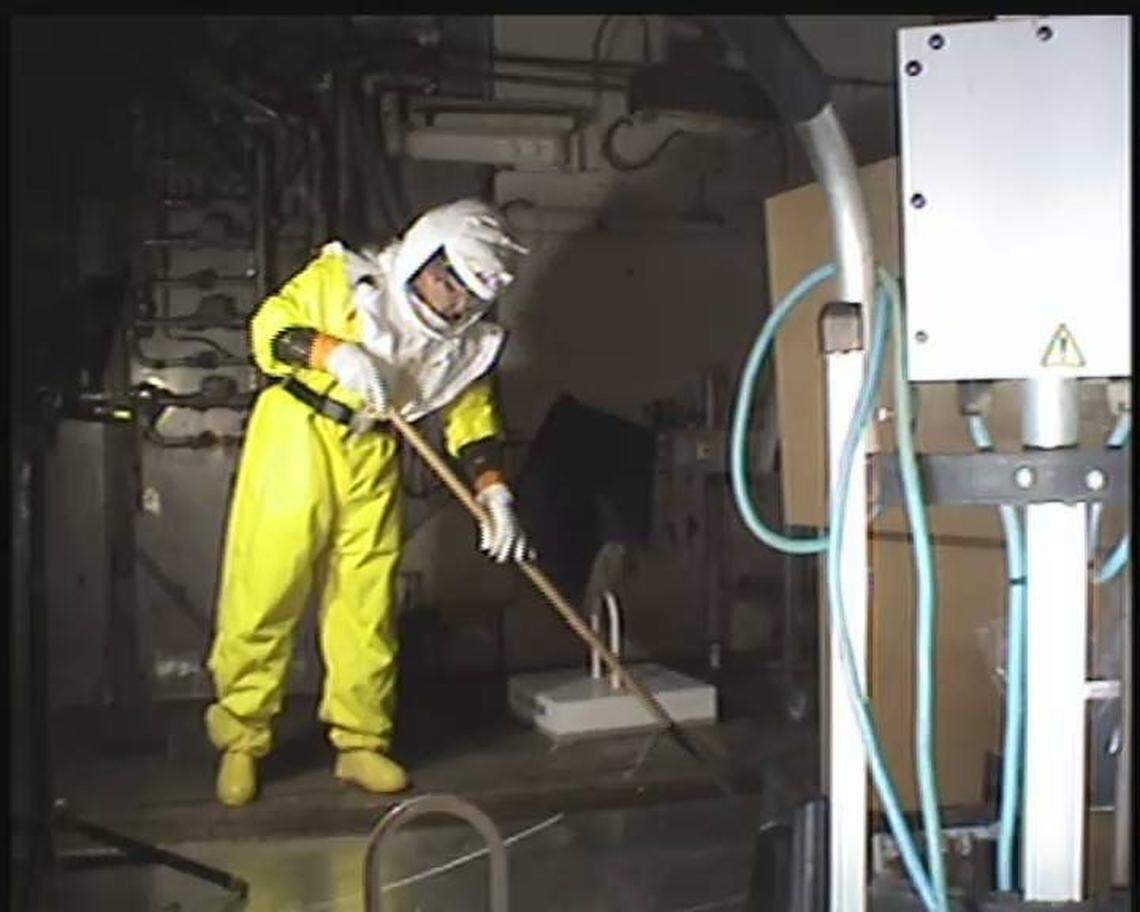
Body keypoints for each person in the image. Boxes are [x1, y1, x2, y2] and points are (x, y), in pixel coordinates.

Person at [205, 199, 532, 806]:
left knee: (365, 602)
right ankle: (242, 739)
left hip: (374, 452)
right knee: (267, 584)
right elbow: (268, 330)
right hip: (299, 430)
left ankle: (361, 743)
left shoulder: (463, 346)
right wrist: (334, 353)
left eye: (467, 296)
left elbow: (472, 417)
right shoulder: (345, 281)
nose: (451, 304)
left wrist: (495, 491)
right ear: (422, 254)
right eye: (445, 283)